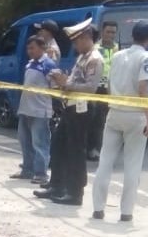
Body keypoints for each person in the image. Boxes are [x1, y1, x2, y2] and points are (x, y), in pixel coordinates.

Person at [91, 21, 148, 222]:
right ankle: (126, 212)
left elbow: (110, 83)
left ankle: (98, 208)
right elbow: (143, 87)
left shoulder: (118, 55)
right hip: (135, 115)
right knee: (132, 164)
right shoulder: (147, 57)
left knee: (105, 161)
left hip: (115, 111)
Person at [38, 19, 104, 206]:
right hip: (71, 106)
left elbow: (90, 88)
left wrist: (65, 83)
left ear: (86, 38)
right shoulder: (82, 57)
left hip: (82, 109)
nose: (75, 46)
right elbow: (75, 82)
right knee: (59, 146)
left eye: (77, 41)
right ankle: (57, 185)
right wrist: (62, 80)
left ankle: (75, 193)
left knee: (75, 151)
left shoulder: (94, 59)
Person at [13, 36, 56, 184]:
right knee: (25, 141)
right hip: (25, 109)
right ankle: (27, 170)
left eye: (32, 48)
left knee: (40, 143)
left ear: (42, 47)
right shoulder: (29, 64)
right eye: (28, 48)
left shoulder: (49, 64)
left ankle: (41, 174)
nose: (29, 51)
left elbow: (55, 87)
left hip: (40, 111)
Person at [87, 20, 119, 160]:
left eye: (113, 32)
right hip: (96, 88)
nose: (111, 35)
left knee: (105, 121)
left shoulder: (117, 48)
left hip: (110, 89)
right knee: (93, 119)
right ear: (102, 32)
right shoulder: (95, 48)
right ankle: (90, 148)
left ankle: (99, 149)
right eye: (108, 32)